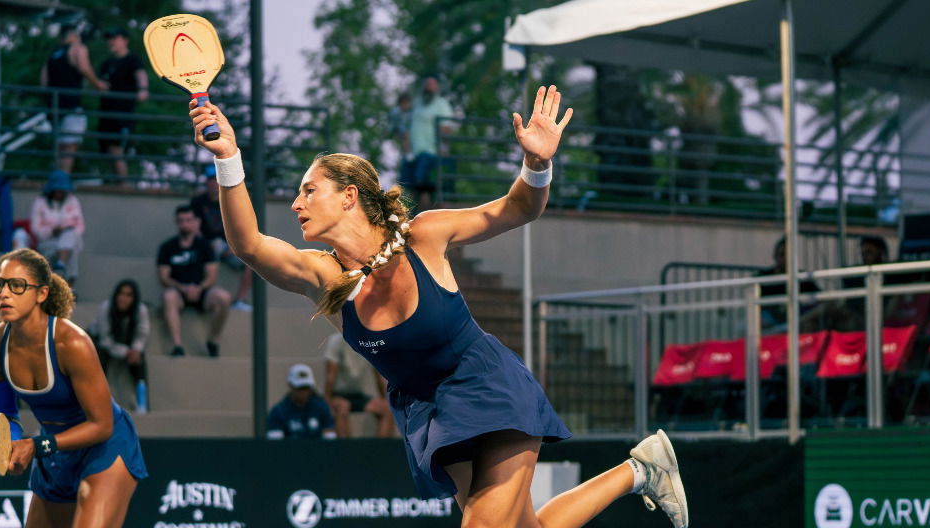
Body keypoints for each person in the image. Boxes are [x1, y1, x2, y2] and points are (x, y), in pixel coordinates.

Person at [189, 86, 688, 527]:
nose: (296, 204)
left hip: (484, 384)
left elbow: (518, 208)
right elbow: (249, 245)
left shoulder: (424, 235)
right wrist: (228, 157)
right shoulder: (324, 277)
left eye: (308, 190)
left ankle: (640, 470)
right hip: (428, 408)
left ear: (348, 196)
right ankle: (640, 470)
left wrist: (536, 164)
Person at [0, 248, 145, 526]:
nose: (4, 293)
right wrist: (14, 445)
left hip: (105, 446)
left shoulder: (72, 343)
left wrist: (37, 445)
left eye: (16, 286)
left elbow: (102, 425)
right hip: (52, 449)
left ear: (41, 294)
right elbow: (5, 415)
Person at [157, 205, 231, 357]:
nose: (184, 224)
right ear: (177, 223)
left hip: (202, 292)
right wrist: (183, 288)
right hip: (179, 293)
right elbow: (164, 277)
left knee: (224, 297)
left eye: (188, 220)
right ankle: (177, 346)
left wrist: (198, 288)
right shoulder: (167, 247)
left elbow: (211, 276)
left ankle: (212, 341)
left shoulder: (205, 246)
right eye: (181, 220)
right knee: (168, 296)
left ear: (196, 222)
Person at [42, 23, 108, 173]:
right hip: (71, 105)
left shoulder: (53, 54)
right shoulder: (78, 48)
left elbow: (44, 82)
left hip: (53, 107)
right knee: (69, 147)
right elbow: (84, 68)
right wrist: (98, 84)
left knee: (59, 149)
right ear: (74, 35)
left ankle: (56, 181)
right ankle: (62, 182)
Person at [190, 166, 254, 311]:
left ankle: (240, 300)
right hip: (205, 245)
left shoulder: (230, 199)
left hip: (229, 245)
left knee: (252, 261)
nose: (214, 183)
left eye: (217, 180)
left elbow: (241, 225)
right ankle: (206, 299)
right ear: (206, 182)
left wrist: (232, 246)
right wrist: (207, 245)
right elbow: (194, 227)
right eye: (211, 180)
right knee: (209, 250)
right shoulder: (198, 201)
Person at [89, 279, 150, 413]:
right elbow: (105, 339)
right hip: (101, 342)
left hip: (127, 342)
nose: (123, 298)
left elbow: (142, 333)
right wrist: (125, 352)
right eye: (121, 294)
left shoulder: (140, 310)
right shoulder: (106, 307)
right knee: (98, 355)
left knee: (140, 359)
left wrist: (136, 350)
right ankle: (98, 403)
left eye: (128, 295)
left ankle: (142, 403)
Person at [97, 27, 149, 181]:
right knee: (108, 151)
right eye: (110, 38)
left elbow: (140, 74)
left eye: (115, 38)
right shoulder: (107, 63)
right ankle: (115, 183)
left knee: (116, 149)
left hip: (123, 113)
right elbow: (101, 84)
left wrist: (143, 89)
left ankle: (123, 185)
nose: (111, 41)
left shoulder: (132, 59)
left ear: (125, 40)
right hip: (106, 112)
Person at [320, 332, 394, 438]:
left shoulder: (370, 342)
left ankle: (381, 450)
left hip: (357, 395)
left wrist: (385, 400)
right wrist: (327, 404)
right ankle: (347, 450)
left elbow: (379, 376)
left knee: (387, 410)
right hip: (336, 394)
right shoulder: (336, 341)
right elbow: (330, 377)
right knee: (343, 407)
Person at [403, 75, 457, 208]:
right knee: (411, 186)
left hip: (431, 153)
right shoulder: (416, 103)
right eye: (426, 85)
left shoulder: (441, 104)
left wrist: (443, 147)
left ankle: (430, 217)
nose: (428, 88)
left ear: (437, 88)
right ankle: (418, 217)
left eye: (432, 85)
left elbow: (446, 128)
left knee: (425, 186)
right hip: (413, 153)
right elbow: (405, 125)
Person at [30, 170, 85, 283]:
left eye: (62, 189)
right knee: (71, 249)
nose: (60, 192)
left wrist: (64, 230)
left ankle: (60, 265)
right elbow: (35, 228)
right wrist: (51, 231)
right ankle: (69, 284)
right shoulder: (40, 203)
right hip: (48, 242)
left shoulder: (73, 201)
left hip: (70, 238)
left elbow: (80, 226)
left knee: (70, 235)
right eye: (57, 189)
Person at [266, 363, 336, 440]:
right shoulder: (279, 411)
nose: (303, 393)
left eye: (306, 388)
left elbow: (330, 440)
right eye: (299, 388)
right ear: (291, 386)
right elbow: (275, 445)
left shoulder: (321, 408)